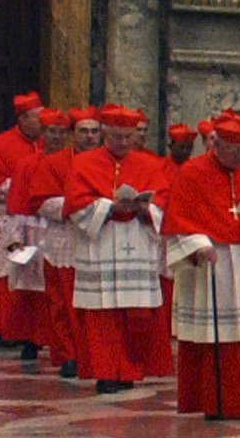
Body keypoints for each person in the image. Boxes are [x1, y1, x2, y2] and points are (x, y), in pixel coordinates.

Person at [66, 106, 177, 393]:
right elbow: (75, 205)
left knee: (136, 314)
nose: (124, 143)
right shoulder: (84, 163)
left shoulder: (150, 164)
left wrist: (145, 208)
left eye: (128, 137)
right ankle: (106, 372)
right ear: (105, 133)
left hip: (137, 241)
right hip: (101, 243)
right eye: (117, 137)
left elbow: (164, 202)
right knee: (103, 315)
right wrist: (108, 207)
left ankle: (130, 369)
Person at [162, 114, 240, 420]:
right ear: (215, 143)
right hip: (211, 263)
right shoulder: (192, 173)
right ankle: (216, 401)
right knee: (215, 338)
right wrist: (198, 246)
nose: (238, 155)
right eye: (231, 149)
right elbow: (179, 221)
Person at [0, 92, 46, 349]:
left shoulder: (46, 144)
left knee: (34, 276)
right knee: (6, 274)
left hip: (38, 221)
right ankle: (5, 328)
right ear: (23, 119)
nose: (42, 123)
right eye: (38, 118)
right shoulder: (0, 144)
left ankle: (33, 331)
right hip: (6, 219)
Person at [8, 109, 77, 372]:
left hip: (61, 230)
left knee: (58, 295)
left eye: (61, 132)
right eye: (51, 131)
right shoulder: (27, 163)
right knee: (33, 293)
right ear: (43, 133)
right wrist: (15, 238)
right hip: (31, 229)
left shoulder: (73, 161)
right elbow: (18, 202)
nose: (56, 137)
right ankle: (33, 339)